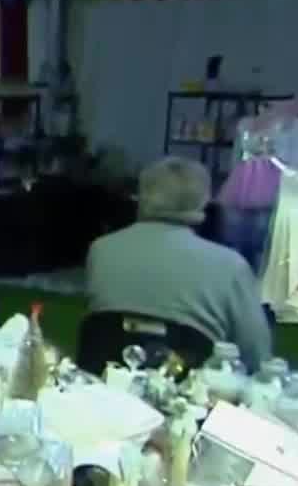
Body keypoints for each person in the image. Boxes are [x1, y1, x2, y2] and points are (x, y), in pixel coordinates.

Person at [86, 156, 272, 369]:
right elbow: (256, 354)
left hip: (105, 386)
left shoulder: (102, 250)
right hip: (194, 392)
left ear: (142, 196)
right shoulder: (230, 266)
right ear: (202, 201)